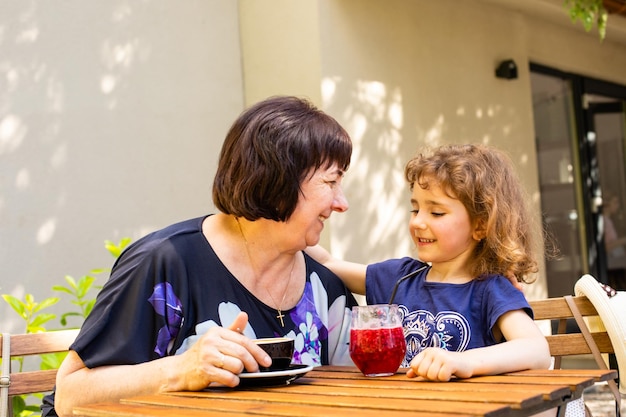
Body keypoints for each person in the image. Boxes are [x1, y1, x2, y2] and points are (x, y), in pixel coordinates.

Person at [46, 96, 358, 417]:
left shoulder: (323, 285)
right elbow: (70, 395)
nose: (341, 203)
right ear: (277, 181)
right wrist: (181, 369)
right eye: (331, 182)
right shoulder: (166, 263)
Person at [308, 144, 552, 382]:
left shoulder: (490, 289)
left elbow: (537, 350)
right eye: (415, 210)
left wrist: (464, 362)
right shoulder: (400, 277)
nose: (418, 222)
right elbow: (328, 263)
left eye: (436, 213)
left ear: (480, 225)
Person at [603, 191, 626, 290]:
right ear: (607, 204)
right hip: (612, 261)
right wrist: (623, 241)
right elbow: (606, 247)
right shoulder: (604, 222)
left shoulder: (609, 221)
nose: (617, 205)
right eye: (615, 202)